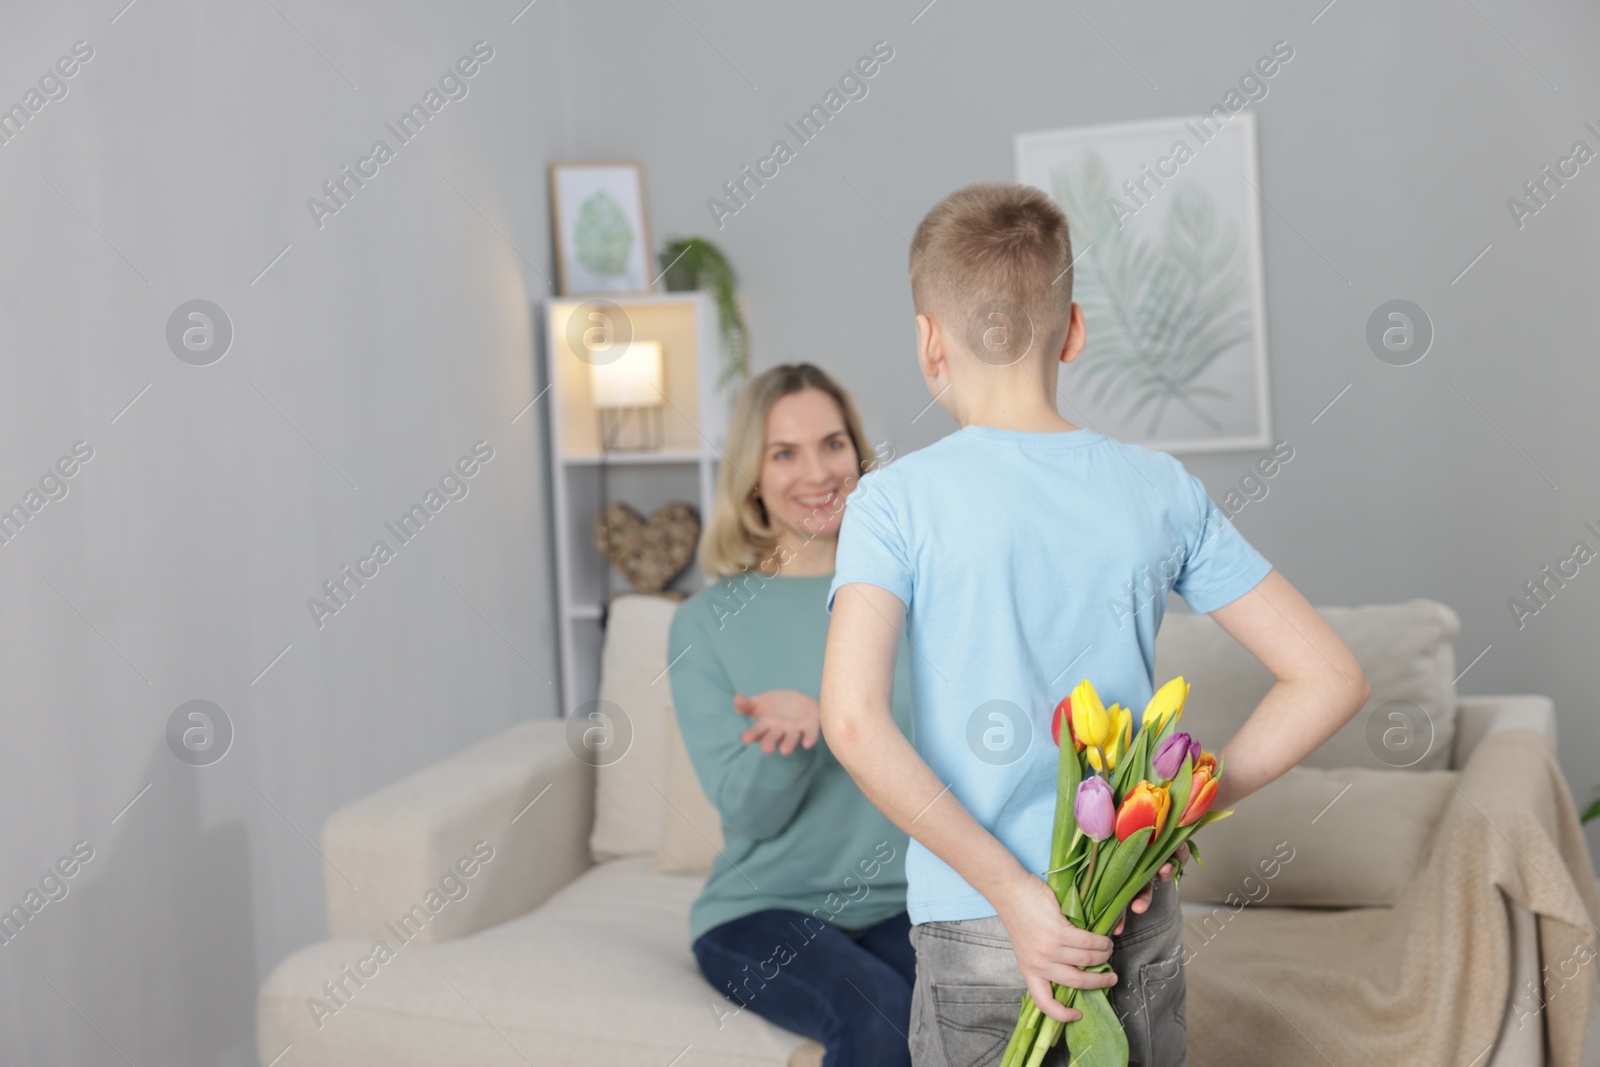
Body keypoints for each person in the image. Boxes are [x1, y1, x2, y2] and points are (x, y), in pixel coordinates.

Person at [818, 182, 1372, 1067]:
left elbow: (851, 721)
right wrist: (1166, 820)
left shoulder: (892, 502)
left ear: (929, 340)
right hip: (1130, 917)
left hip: (975, 923)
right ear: (1073, 329)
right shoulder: (1160, 489)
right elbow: (1331, 677)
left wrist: (1010, 893)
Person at [668, 363, 919, 1067]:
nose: (816, 471)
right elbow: (749, 817)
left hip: (908, 900)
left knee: (1000, 1010)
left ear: (858, 455)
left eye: (832, 444)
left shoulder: (910, 591)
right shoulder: (707, 622)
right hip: (764, 910)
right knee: (876, 1017)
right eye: (784, 453)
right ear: (753, 475)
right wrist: (793, 739)